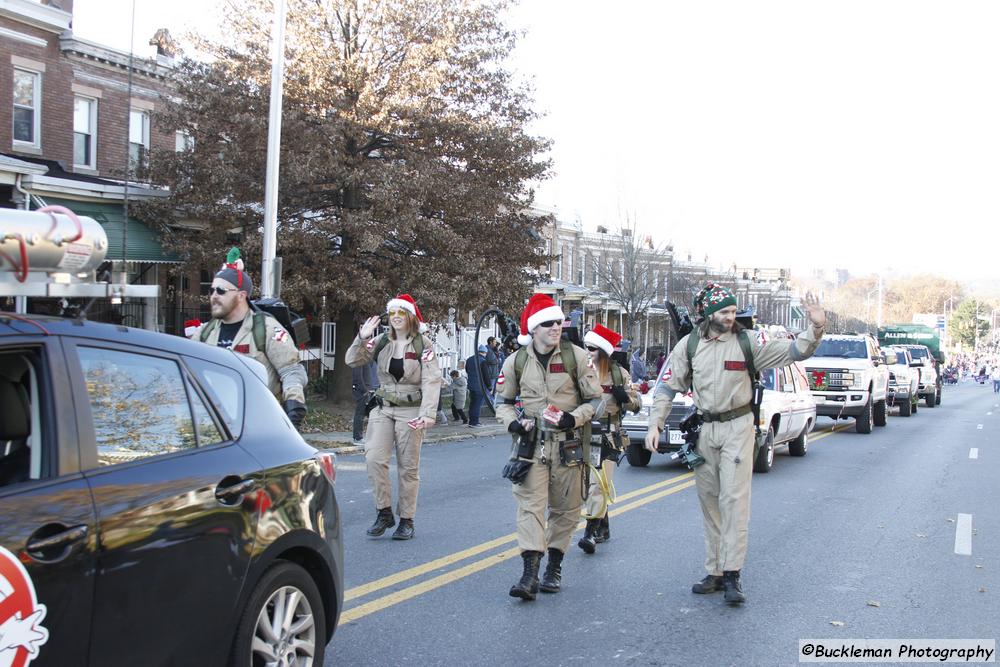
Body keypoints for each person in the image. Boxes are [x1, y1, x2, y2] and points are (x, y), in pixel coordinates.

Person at [644, 283, 826, 605]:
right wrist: (655, 424)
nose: (731, 316)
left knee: (734, 501)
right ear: (708, 313)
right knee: (710, 501)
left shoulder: (748, 342)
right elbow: (667, 388)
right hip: (705, 431)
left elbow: (796, 351)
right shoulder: (689, 346)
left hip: (738, 428)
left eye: (732, 311)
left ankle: (732, 574)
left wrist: (816, 326)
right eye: (724, 312)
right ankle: (714, 571)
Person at [496, 293, 605, 601]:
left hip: (568, 445)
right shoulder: (515, 361)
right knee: (530, 508)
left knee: (566, 510)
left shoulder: (577, 357)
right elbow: (502, 403)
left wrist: (574, 418)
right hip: (530, 446)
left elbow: (596, 402)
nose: (556, 327)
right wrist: (514, 424)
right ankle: (529, 574)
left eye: (558, 322)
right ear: (533, 329)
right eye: (547, 323)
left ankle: (553, 566)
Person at [346, 294, 443, 541]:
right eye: (393, 314)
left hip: (411, 410)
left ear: (410, 317)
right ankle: (384, 512)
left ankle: (406, 520)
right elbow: (352, 360)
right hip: (383, 407)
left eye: (401, 313)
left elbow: (432, 379)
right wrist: (362, 337)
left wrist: (428, 414)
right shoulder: (380, 341)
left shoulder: (423, 344)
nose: (396, 317)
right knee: (374, 459)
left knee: (408, 467)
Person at [197, 248, 307, 427]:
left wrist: (294, 409)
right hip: (216, 427)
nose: (214, 296)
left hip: (260, 424)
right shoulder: (204, 334)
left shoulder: (266, 328)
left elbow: (291, 371)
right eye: (211, 291)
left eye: (221, 290)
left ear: (241, 295)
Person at [578, 325, 640, 554]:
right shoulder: (581, 371)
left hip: (609, 433)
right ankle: (603, 526)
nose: (588, 352)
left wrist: (625, 398)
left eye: (592, 348)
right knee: (587, 483)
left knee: (600, 482)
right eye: (587, 348)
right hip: (584, 432)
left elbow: (637, 404)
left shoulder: (619, 374)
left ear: (603, 351)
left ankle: (590, 532)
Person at [352, 360, 377, 445]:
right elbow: (357, 377)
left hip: (372, 390)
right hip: (364, 392)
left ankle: (373, 436)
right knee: (360, 414)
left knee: (373, 415)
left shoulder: (370, 359)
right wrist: (365, 390)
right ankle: (357, 437)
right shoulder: (359, 359)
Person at [465, 344, 490, 427]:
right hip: (480, 386)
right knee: (477, 404)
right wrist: (489, 386)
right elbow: (486, 375)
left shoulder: (469, 359)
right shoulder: (483, 361)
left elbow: (467, 370)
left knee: (473, 403)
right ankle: (474, 422)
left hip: (471, 385)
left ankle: (471, 420)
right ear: (485, 353)